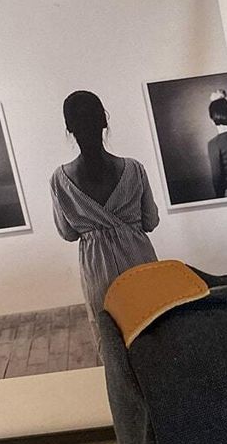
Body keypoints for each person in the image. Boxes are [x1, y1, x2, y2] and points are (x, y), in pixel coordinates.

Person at [50, 91, 160, 324]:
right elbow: (151, 221)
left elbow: (68, 234)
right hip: (139, 262)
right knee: (153, 328)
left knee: (110, 334)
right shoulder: (134, 169)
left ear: (69, 128)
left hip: (98, 269)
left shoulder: (60, 179)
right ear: (104, 121)